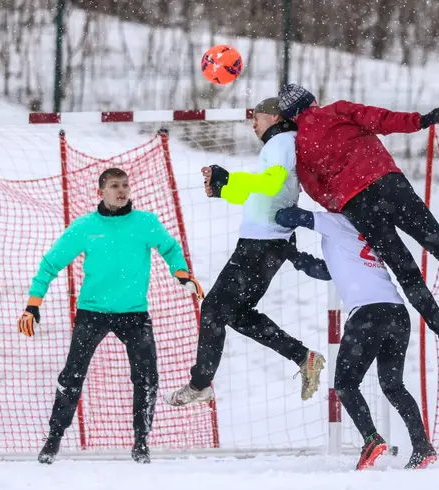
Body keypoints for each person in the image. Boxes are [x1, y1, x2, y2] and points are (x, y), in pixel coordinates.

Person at [276, 83, 439, 355]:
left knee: (406, 272)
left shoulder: (300, 147)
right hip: (388, 184)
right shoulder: (338, 110)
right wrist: (420, 121)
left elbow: (316, 190)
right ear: (312, 101)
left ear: (290, 117)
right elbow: (381, 119)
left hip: (357, 205)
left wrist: (344, 201)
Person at [17, 167, 204, 465]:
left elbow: (169, 248)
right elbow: (51, 263)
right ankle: (53, 440)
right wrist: (33, 303)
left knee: (147, 377)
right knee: (72, 375)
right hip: (93, 313)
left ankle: (141, 442)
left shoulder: (145, 223)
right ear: (100, 191)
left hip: (134, 315)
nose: (122, 190)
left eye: (125, 185)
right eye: (115, 185)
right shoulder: (84, 227)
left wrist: (181, 273)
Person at [164, 98, 329, 407]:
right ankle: (303, 357)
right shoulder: (283, 143)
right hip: (266, 242)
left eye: (257, 117)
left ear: (276, 116)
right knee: (236, 313)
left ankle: (200, 384)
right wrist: (224, 189)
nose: (253, 123)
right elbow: (261, 196)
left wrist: (230, 178)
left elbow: (269, 184)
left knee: (213, 309)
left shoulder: (280, 141)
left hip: (262, 244)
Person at [275, 204, 438, 470]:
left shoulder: (337, 222)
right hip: (397, 314)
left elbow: (290, 216)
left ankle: (372, 439)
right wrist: (294, 256)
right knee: (393, 386)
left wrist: (273, 211)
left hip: (368, 315)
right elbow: (325, 271)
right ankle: (422, 447)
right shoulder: (360, 232)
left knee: (345, 384)